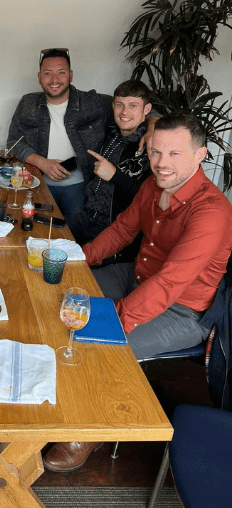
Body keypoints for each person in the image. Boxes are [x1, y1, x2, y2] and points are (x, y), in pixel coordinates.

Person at [44, 112, 232, 473]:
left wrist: (113, 321)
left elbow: (170, 283)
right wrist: (78, 260)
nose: (161, 163)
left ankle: (90, 428)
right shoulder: (153, 186)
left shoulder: (212, 212)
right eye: (156, 152)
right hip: (138, 276)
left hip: (182, 309)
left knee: (97, 343)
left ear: (200, 155)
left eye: (174, 153)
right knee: (63, 295)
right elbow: (122, 231)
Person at [6, 49, 157, 217]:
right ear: (39, 77)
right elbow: (13, 142)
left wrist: (152, 127)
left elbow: (138, 107)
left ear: (70, 75)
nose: (54, 80)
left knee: (74, 229)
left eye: (61, 72)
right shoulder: (27, 103)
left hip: (80, 185)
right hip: (36, 182)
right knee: (25, 222)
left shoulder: (93, 102)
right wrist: (42, 163)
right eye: (47, 73)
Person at [65, 79, 152, 249]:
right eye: (120, 105)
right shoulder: (109, 131)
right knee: (41, 234)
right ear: (113, 106)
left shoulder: (152, 146)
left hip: (114, 230)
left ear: (147, 109)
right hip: (86, 217)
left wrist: (115, 175)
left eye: (133, 106)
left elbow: (151, 199)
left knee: (69, 260)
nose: (124, 112)